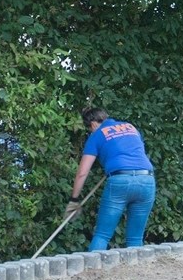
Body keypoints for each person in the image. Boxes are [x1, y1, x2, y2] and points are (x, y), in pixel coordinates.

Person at [66, 107, 156, 251]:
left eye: (89, 128)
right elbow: (135, 152)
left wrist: (74, 199)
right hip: (147, 179)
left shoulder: (96, 135)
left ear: (93, 124)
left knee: (102, 235)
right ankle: (135, 273)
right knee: (135, 238)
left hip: (120, 181)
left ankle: (92, 270)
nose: (90, 131)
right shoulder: (131, 128)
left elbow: (82, 173)